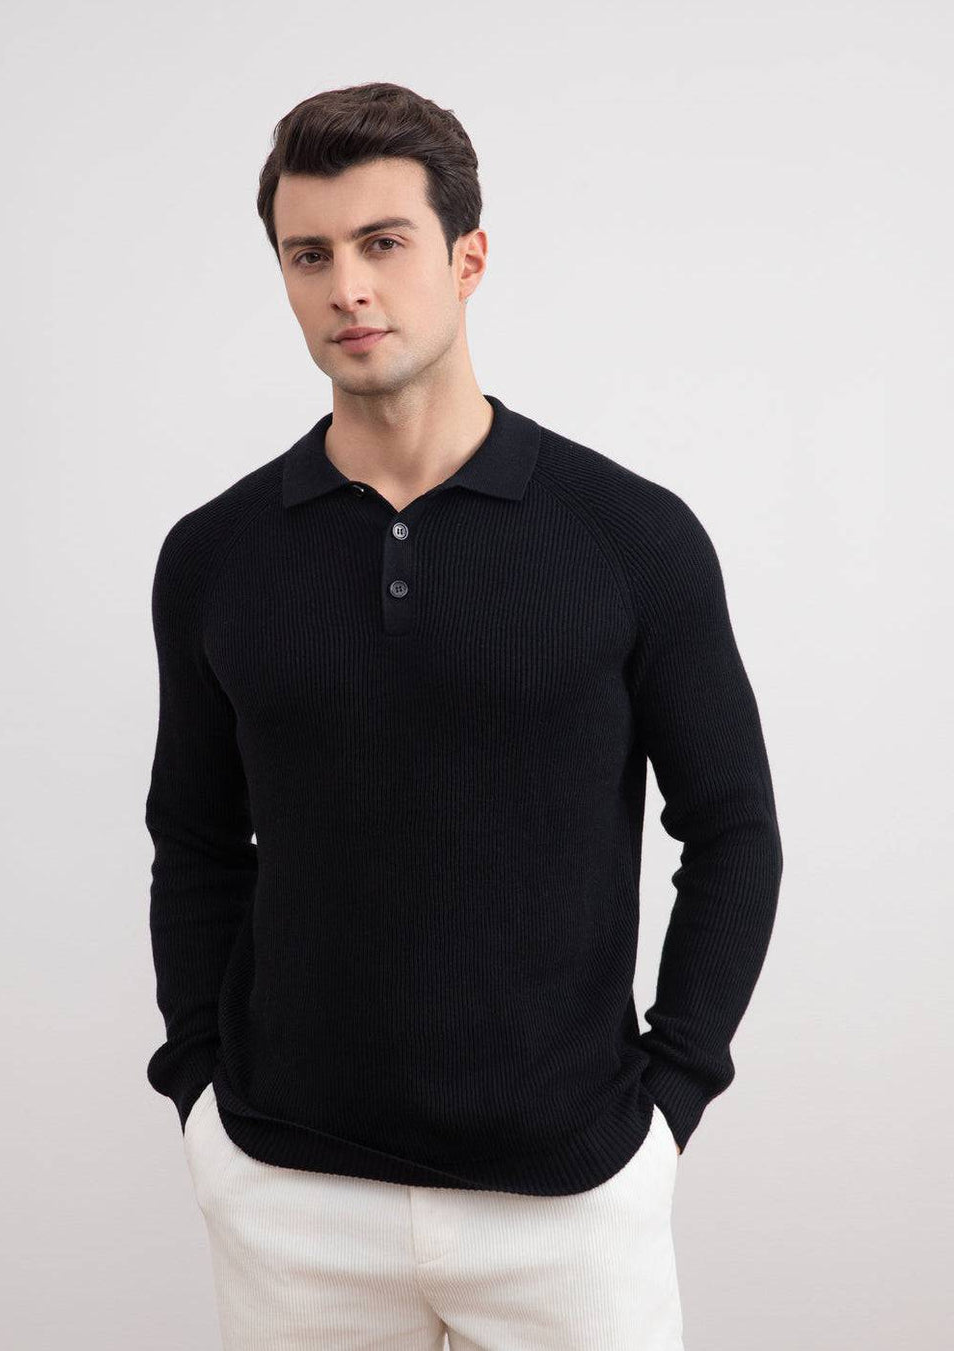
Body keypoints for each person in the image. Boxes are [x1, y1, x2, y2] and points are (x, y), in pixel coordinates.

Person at [144, 80, 783, 1351]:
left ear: (467, 258)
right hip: (291, 1194)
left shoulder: (630, 537)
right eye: (309, 255)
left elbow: (733, 832)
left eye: (383, 243)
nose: (349, 288)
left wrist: (670, 1102)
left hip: (570, 1198)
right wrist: (200, 1094)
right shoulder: (215, 555)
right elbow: (197, 843)